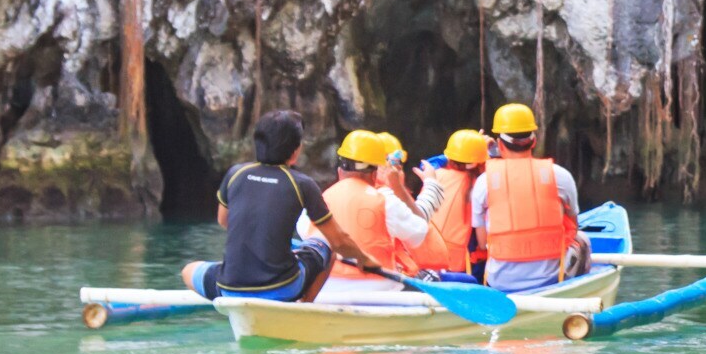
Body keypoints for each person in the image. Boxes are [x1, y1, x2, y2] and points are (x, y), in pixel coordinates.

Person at [181, 110, 373, 303]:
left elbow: (224, 221)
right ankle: (304, 306)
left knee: (188, 270)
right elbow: (338, 241)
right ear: (295, 150)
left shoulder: (235, 174)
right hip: (284, 288)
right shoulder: (302, 184)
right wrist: (362, 257)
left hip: (228, 288)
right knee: (326, 246)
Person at [470, 103, 591, 293]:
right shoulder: (560, 176)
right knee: (582, 239)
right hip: (551, 281)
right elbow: (573, 225)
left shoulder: (484, 182)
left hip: (500, 283)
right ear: (533, 141)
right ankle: (577, 294)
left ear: (500, 144)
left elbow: (481, 243)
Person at [305, 129, 435, 282]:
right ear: (374, 173)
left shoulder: (322, 198)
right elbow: (419, 233)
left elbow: (306, 235)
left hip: (328, 284)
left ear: (340, 170)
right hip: (375, 285)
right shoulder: (385, 200)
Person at [414, 129, 490, 276]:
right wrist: (478, 149)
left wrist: (468, 150)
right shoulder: (480, 184)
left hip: (423, 259)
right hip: (459, 266)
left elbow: (428, 164)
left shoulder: (435, 175)